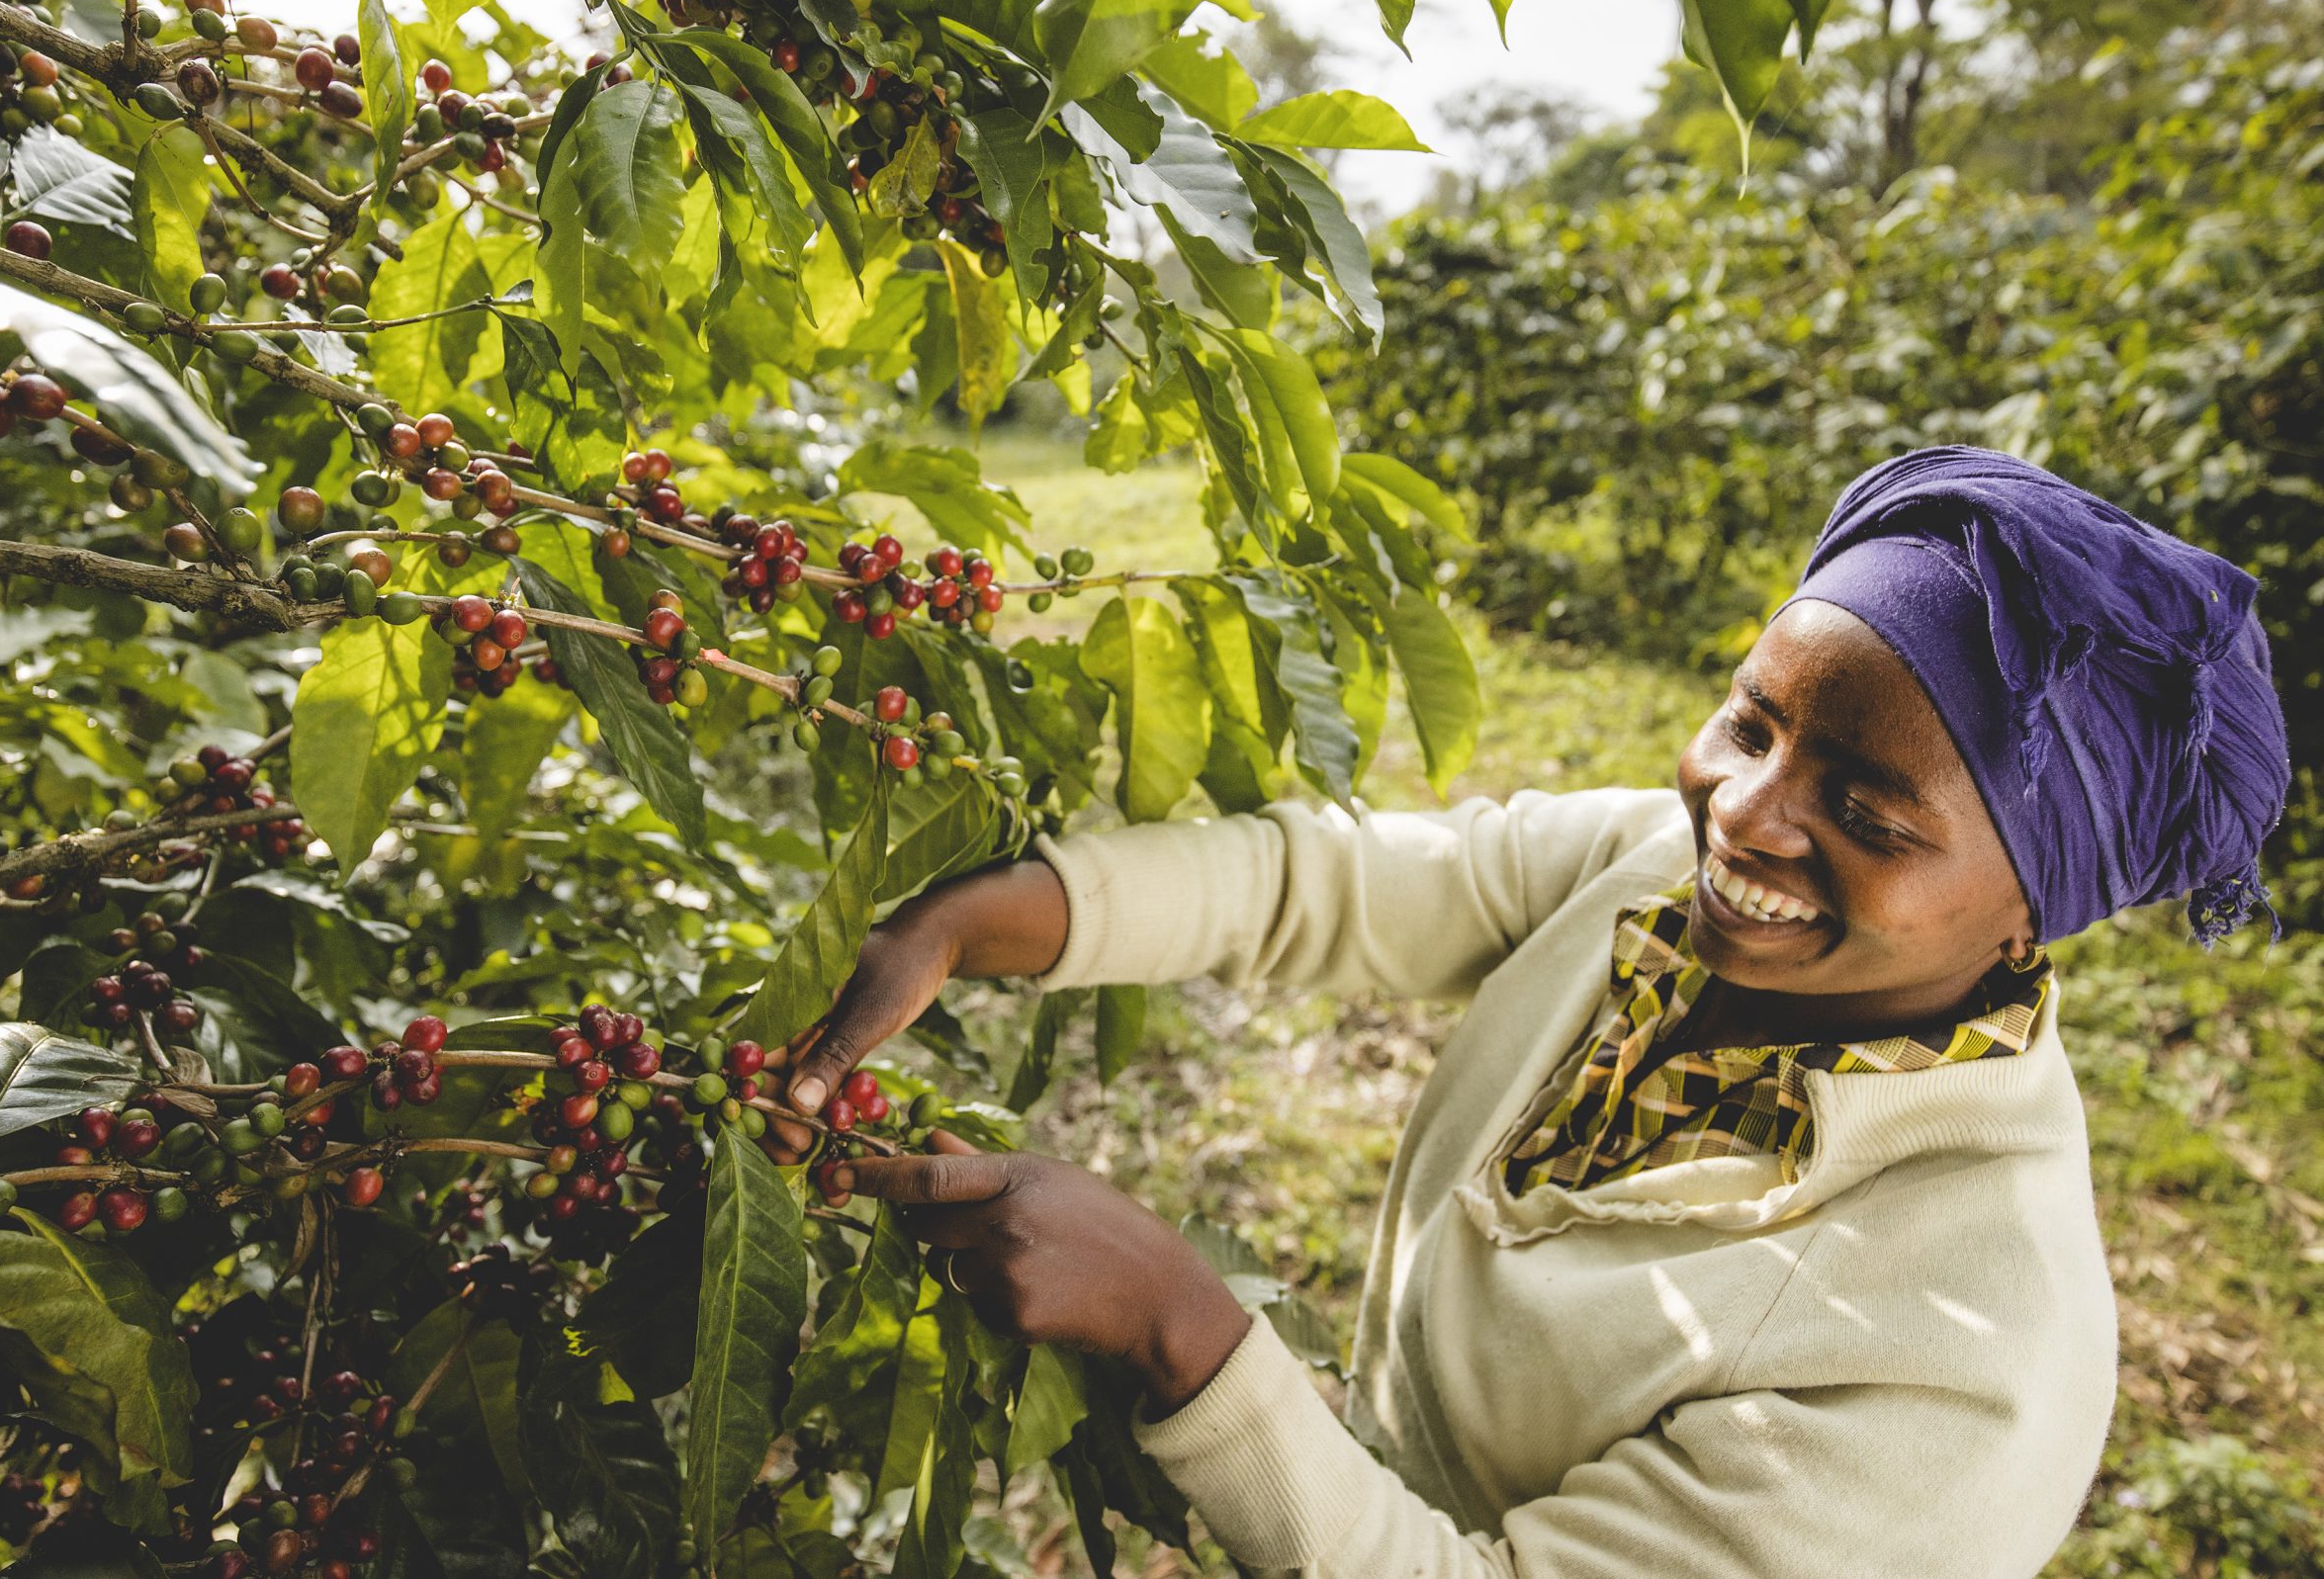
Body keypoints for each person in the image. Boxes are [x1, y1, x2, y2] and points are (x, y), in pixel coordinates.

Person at [766, 446, 2293, 1578]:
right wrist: (973, 922)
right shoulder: (1651, 874)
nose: (1744, 819)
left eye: (1869, 811)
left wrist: (1183, 1326)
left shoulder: (1960, 1362)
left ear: (2036, 908)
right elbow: (1343, 886)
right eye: (1751, 722)